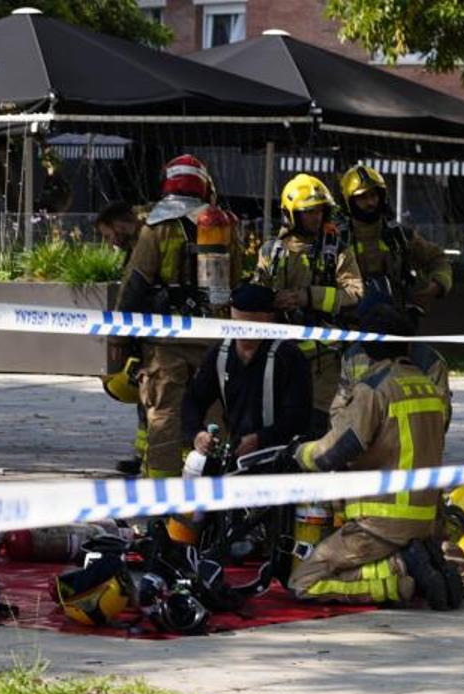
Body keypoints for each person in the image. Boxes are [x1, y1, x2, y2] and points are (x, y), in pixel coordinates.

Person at [284, 304, 463, 610]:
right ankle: (415, 563)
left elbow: (337, 451)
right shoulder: (426, 386)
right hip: (426, 521)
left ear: (365, 345)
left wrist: (299, 453)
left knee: (304, 581)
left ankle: (399, 573)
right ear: (407, 342)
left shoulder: (373, 389)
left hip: (381, 525)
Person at [113, 154, 242, 478]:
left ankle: (161, 505)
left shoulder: (156, 227)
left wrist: (120, 336)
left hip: (165, 339)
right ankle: (209, 495)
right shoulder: (224, 226)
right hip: (212, 337)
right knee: (214, 415)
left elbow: (135, 284)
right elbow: (236, 282)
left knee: (165, 417)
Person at [255, 173, 364, 435]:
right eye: (308, 212)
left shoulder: (337, 249)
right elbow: (256, 292)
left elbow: (356, 293)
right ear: (291, 214)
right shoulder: (271, 251)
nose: (316, 217)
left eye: (320, 211)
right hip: (280, 354)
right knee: (280, 423)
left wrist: (310, 297)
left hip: (323, 357)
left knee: (318, 425)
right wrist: (271, 299)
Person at [181, 284, 312, 459]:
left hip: (280, 456)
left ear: (269, 320)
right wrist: (197, 435)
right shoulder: (220, 354)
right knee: (195, 463)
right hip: (238, 452)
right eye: (237, 326)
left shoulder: (289, 358)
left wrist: (259, 440)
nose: (243, 334)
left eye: (250, 326)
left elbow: (298, 418)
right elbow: (193, 400)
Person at [337, 165, 452, 316]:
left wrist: (436, 286)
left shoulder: (399, 235)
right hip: (348, 329)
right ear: (349, 201)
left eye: (374, 196)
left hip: (393, 323)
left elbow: (438, 259)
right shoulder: (337, 240)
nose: (371, 202)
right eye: (362, 197)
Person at [96, 200, 148, 475]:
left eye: (108, 235)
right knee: (144, 396)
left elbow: (133, 291)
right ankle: (143, 455)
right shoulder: (137, 245)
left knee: (152, 397)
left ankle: (149, 457)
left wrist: (119, 336)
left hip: (150, 331)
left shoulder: (145, 244)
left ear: (120, 225)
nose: (109, 242)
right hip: (143, 331)